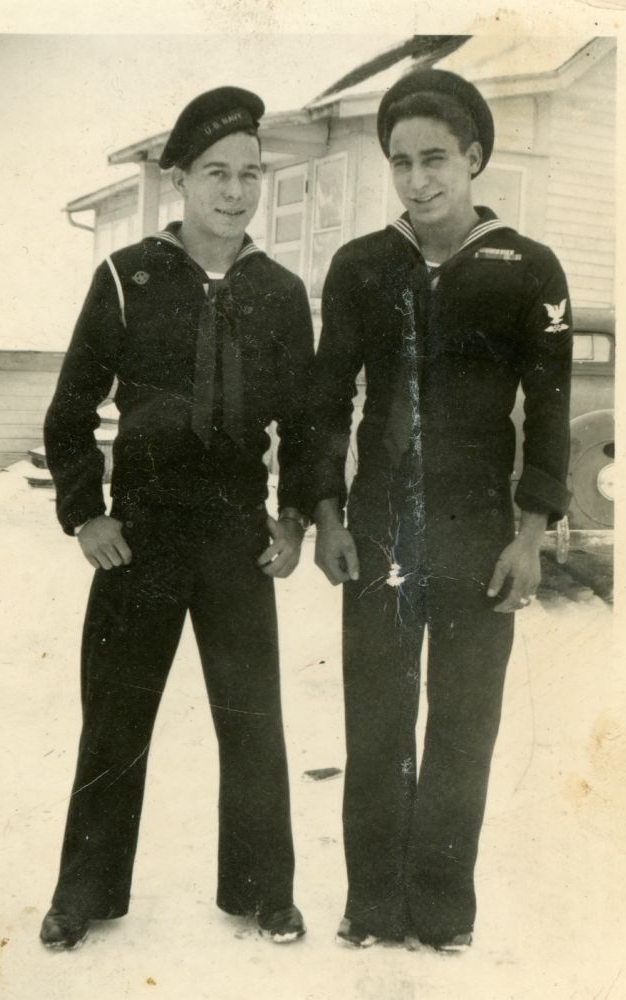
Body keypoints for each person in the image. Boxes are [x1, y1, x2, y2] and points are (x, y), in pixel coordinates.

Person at [40, 86, 313, 950]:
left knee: (252, 718)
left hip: (235, 532)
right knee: (115, 718)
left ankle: (264, 891)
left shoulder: (279, 290)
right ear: (179, 180)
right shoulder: (127, 277)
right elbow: (69, 412)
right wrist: (86, 516)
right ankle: (81, 893)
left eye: (250, 176)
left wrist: (294, 517)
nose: (234, 193)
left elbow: (304, 422)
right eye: (216, 175)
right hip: (144, 532)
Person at [310, 69, 572, 951]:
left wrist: (532, 534)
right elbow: (325, 401)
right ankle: (372, 905)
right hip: (378, 532)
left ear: (474, 159)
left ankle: (442, 911)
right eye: (399, 163)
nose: (416, 180)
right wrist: (328, 513)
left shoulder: (526, 269)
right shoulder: (361, 267)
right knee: (376, 723)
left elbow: (547, 411)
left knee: (462, 729)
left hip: (476, 537)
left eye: (434, 160)